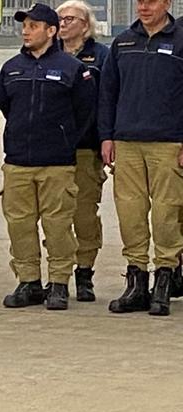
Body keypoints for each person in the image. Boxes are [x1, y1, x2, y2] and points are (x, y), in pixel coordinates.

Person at [0, 3, 95, 311]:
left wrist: (63, 139)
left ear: (51, 31)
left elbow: (85, 112)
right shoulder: (12, 68)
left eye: (34, 26)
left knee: (58, 226)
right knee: (20, 225)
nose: (26, 31)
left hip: (57, 163)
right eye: (24, 26)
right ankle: (28, 282)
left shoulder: (71, 68)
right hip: (18, 163)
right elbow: (6, 107)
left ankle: (58, 283)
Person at [99, 0, 183, 316]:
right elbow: (108, 93)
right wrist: (106, 136)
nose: (144, 7)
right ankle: (136, 281)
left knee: (166, 213)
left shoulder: (180, 40)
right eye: (140, 1)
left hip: (168, 143)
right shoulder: (123, 42)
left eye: (151, 1)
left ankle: (165, 277)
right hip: (127, 142)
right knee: (130, 212)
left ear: (168, 4)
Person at [56, 0, 109, 302]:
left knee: (85, 214)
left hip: (87, 149)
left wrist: (106, 140)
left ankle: (85, 272)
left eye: (71, 19)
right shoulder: (46, 55)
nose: (64, 24)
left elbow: (106, 101)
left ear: (86, 25)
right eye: (60, 19)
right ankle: (58, 274)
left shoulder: (101, 57)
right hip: (53, 152)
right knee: (56, 217)